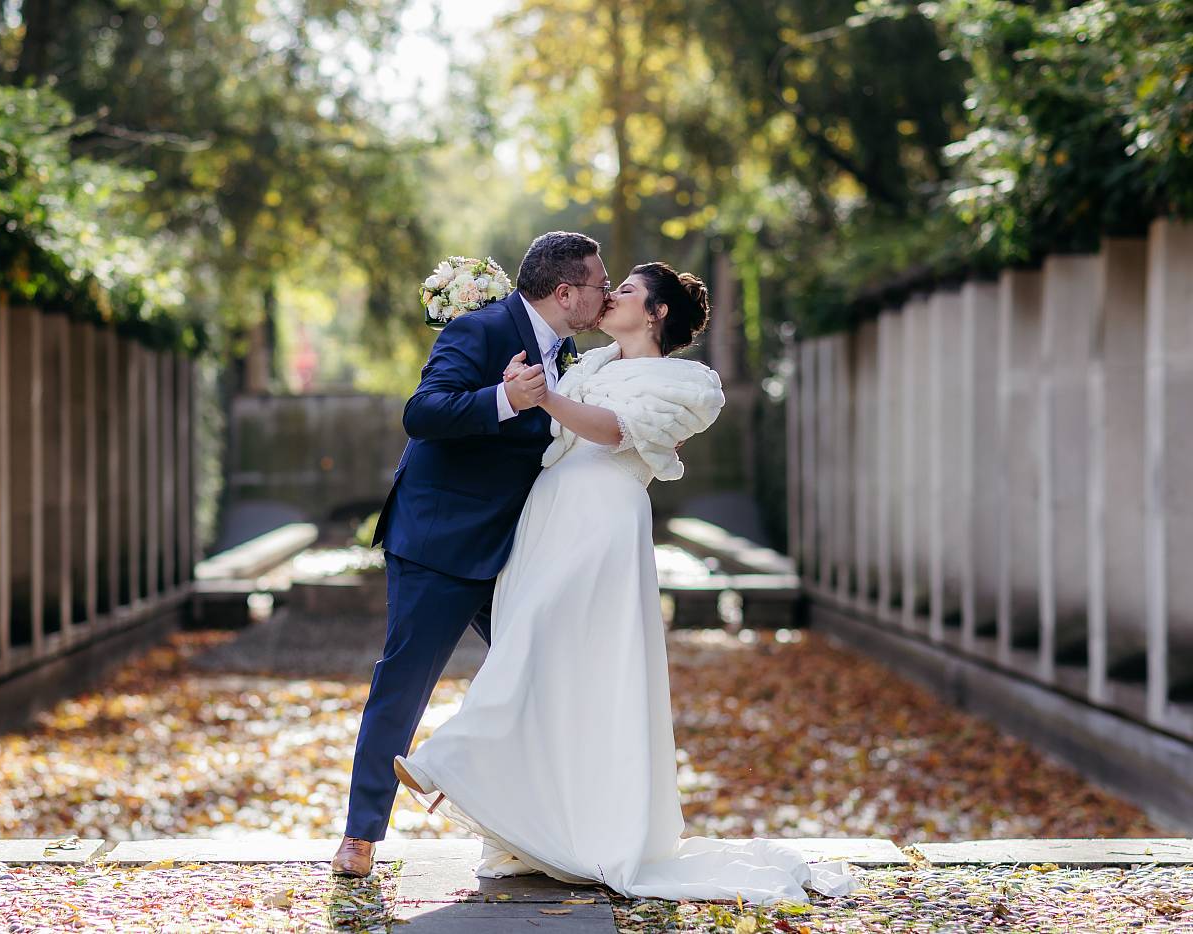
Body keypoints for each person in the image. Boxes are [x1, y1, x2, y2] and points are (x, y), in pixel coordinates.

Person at [390, 262, 860, 904]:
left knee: (534, 637)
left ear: (657, 313)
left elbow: (613, 432)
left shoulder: (689, 383)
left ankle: (452, 760)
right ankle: (537, 817)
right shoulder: (589, 365)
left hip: (600, 520)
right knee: (555, 660)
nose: (611, 297)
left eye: (629, 291)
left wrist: (543, 397)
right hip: (548, 518)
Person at [331, 231, 610, 877]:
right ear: (565, 292)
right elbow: (422, 412)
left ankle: (532, 832)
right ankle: (359, 837)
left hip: (516, 551)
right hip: (439, 542)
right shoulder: (482, 330)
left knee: (544, 678)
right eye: (600, 282)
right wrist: (507, 399)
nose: (605, 291)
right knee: (402, 685)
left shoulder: (568, 350)